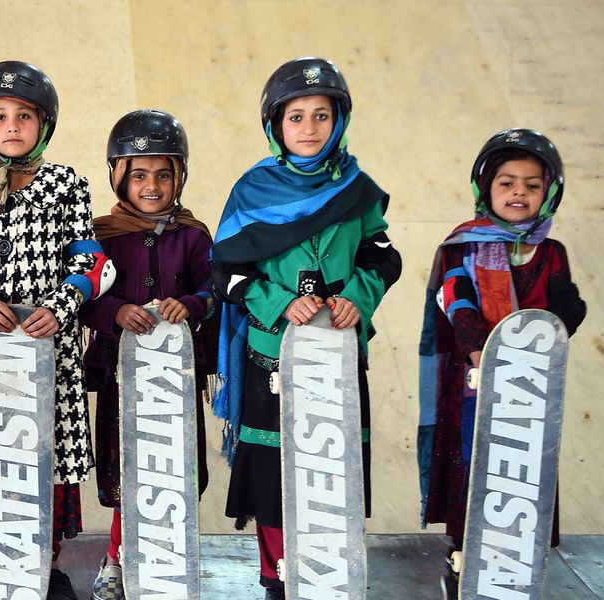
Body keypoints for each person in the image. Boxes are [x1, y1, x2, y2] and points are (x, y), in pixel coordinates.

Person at [209, 57, 401, 599]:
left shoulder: (358, 189)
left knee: (330, 467)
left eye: (322, 115)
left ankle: (327, 571)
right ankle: (277, 576)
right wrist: (279, 303)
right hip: (272, 356)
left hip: (337, 352)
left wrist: (356, 298)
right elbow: (226, 271)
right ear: (276, 124)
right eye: (296, 117)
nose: (309, 128)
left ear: (339, 121)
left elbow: (383, 256)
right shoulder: (251, 190)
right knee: (275, 474)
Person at [0, 60, 114, 600]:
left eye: (25, 116)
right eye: (0, 116)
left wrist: (60, 306)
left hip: (46, 343)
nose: (12, 126)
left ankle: (42, 562)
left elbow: (91, 261)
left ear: (45, 123)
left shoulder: (66, 184)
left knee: (43, 450)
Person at [417, 128, 586, 599]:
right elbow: (457, 301)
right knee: (474, 471)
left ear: (549, 194)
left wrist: (553, 331)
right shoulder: (462, 246)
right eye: (507, 183)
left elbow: (564, 306)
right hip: (474, 383)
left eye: (532, 185)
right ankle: (463, 561)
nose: (519, 193)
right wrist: (486, 356)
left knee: (525, 469)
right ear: (485, 189)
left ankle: (517, 566)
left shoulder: (551, 252)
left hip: (531, 387)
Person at [79, 109, 214, 599]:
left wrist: (192, 304)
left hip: (177, 379)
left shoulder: (193, 236)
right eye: (138, 175)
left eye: (163, 174)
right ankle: (117, 561)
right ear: (119, 176)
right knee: (128, 472)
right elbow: (83, 298)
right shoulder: (100, 236)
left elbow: (214, 290)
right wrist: (115, 311)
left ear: (179, 176)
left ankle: (172, 559)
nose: (151, 185)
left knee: (174, 470)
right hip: (120, 377)